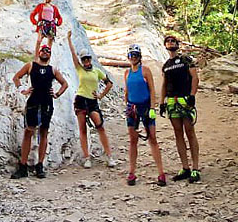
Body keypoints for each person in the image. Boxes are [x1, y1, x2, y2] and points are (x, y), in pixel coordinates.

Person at [10, 41, 68, 179]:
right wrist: (22, 89)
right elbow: (16, 77)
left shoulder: (53, 70)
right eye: (43, 50)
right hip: (33, 102)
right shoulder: (31, 65)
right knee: (28, 131)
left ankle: (39, 165)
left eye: (48, 51)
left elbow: (65, 84)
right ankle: (23, 166)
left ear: (50, 55)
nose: (45, 52)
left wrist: (57, 94)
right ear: (39, 52)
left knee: (44, 133)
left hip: (47, 103)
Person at [66, 29, 118, 168]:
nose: (87, 61)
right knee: (82, 129)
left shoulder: (97, 71)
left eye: (88, 58)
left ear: (90, 59)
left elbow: (109, 83)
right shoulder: (80, 69)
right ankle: (87, 157)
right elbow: (72, 55)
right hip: (81, 99)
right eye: (84, 59)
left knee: (100, 126)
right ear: (82, 61)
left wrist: (101, 95)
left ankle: (109, 155)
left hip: (92, 101)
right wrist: (69, 40)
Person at [123, 44, 166, 187]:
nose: (133, 58)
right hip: (132, 108)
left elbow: (152, 90)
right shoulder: (127, 73)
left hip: (146, 107)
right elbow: (127, 91)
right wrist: (126, 106)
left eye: (135, 55)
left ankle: (161, 172)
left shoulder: (145, 71)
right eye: (131, 55)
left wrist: (153, 107)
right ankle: (132, 172)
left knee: (152, 138)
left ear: (139, 57)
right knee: (133, 140)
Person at [161, 32, 201, 182]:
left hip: (184, 99)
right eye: (168, 41)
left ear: (177, 44)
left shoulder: (186, 60)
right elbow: (164, 84)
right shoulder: (166, 65)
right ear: (165, 45)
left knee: (190, 131)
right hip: (172, 101)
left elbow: (195, 77)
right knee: (178, 133)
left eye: (173, 41)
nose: (170, 43)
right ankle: (185, 167)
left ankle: (195, 168)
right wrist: (162, 102)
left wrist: (192, 95)